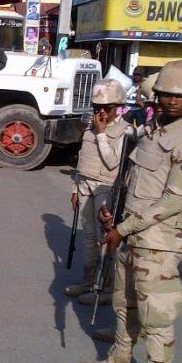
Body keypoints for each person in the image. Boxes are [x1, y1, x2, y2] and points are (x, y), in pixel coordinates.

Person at [79, 60, 182, 363]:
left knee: (157, 319)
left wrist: (124, 228)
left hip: (159, 241)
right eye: (166, 94)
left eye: (181, 97)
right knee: (125, 306)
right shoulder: (152, 133)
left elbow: (174, 201)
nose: (171, 101)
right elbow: (132, 181)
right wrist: (114, 211)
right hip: (129, 232)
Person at [65, 80, 129, 302]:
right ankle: (88, 282)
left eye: (107, 108)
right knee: (89, 239)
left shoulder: (125, 131)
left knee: (105, 241)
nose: (101, 112)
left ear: (118, 107)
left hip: (106, 189)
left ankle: (105, 289)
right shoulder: (92, 126)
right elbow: (83, 158)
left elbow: (113, 163)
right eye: (97, 108)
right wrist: (76, 187)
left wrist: (102, 134)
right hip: (85, 186)